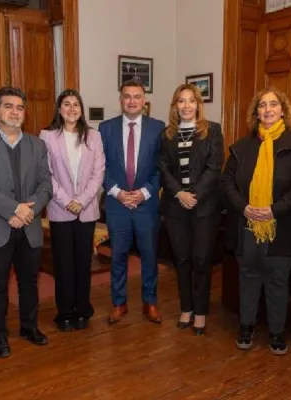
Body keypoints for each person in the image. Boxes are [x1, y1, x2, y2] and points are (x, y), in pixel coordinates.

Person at [221, 88, 291, 354]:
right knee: (248, 276)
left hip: (282, 225)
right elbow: (227, 181)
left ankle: (276, 331)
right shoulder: (242, 147)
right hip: (246, 224)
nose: (268, 109)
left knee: (277, 280)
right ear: (256, 112)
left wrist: (275, 210)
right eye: (262, 105)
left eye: (274, 104)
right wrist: (245, 208)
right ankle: (246, 327)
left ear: (283, 110)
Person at [0, 87, 53, 358]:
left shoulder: (37, 144)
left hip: (29, 227)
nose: (15, 111)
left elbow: (46, 185)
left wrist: (29, 211)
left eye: (19, 107)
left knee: (30, 282)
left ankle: (29, 327)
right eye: (8, 106)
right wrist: (14, 209)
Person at [158, 83, 224, 336]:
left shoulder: (212, 131)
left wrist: (193, 195)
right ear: (175, 106)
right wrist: (179, 193)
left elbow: (214, 167)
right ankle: (186, 308)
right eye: (181, 101)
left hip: (204, 207)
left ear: (198, 104)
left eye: (191, 101)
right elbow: (163, 168)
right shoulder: (167, 135)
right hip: (176, 208)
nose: (186, 106)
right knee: (182, 260)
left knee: (201, 261)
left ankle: (200, 312)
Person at [99, 79, 165, 324]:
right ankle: (119, 303)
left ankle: (150, 301)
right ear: (120, 100)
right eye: (127, 96)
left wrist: (145, 192)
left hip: (146, 205)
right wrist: (117, 192)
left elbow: (162, 168)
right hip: (117, 204)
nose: (132, 101)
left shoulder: (159, 128)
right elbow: (100, 167)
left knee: (149, 255)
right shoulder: (105, 129)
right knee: (118, 256)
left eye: (137, 96)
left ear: (144, 101)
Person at [40, 89, 105, 332]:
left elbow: (99, 172)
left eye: (76, 104)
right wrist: (68, 200)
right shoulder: (47, 136)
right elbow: (46, 174)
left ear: (81, 109)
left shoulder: (94, 137)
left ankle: (82, 309)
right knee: (63, 264)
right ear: (59, 109)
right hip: (60, 209)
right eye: (66, 104)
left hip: (86, 211)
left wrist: (83, 199)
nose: (71, 108)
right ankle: (64, 312)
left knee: (82, 263)